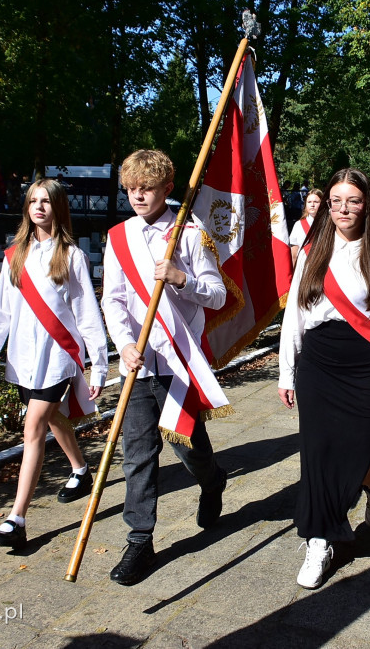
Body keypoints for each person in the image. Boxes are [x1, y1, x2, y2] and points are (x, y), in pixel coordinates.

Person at [279, 167, 370, 589]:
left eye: (353, 201)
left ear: (367, 204)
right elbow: (295, 316)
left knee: (362, 459)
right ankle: (318, 540)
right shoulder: (312, 251)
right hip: (319, 365)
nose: (344, 209)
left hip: (365, 366)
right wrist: (288, 371)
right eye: (336, 200)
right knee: (318, 456)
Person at [101, 149, 229, 586]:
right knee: (137, 454)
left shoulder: (190, 234)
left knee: (189, 449)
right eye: (132, 188)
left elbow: (217, 295)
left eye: (147, 188)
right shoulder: (118, 237)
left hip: (178, 360)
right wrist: (123, 346)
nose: (138, 195)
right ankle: (140, 539)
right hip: (138, 363)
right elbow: (113, 299)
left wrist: (182, 279)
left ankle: (212, 483)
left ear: (167, 189)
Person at [0, 177, 108, 550]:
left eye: (46, 201)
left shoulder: (72, 256)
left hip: (58, 359)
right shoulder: (15, 255)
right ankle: (81, 470)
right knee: (51, 419)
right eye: (33, 200)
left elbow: (87, 313)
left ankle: (16, 519)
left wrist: (98, 364)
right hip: (23, 360)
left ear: (58, 208)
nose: (39, 207)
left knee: (32, 429)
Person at [288, 188, 322, 262]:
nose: (312, 205)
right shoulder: (298, 225)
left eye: (316, 202)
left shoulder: (329, 224)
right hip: (303, 269)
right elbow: (294, 255)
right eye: (309, 202)